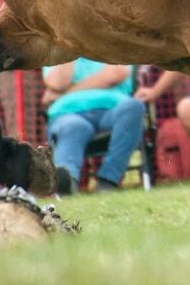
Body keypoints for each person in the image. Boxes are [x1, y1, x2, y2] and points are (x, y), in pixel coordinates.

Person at [42, 57, 147, 194]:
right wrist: (72, 47)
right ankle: (66, 182)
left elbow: (114, 75)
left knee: (134, 107)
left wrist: (67, 92)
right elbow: (57, 83)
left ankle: (108, 181)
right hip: (68, 113)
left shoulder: (107, 40)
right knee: (73, 127)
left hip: (113, 110)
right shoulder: (61, 50)